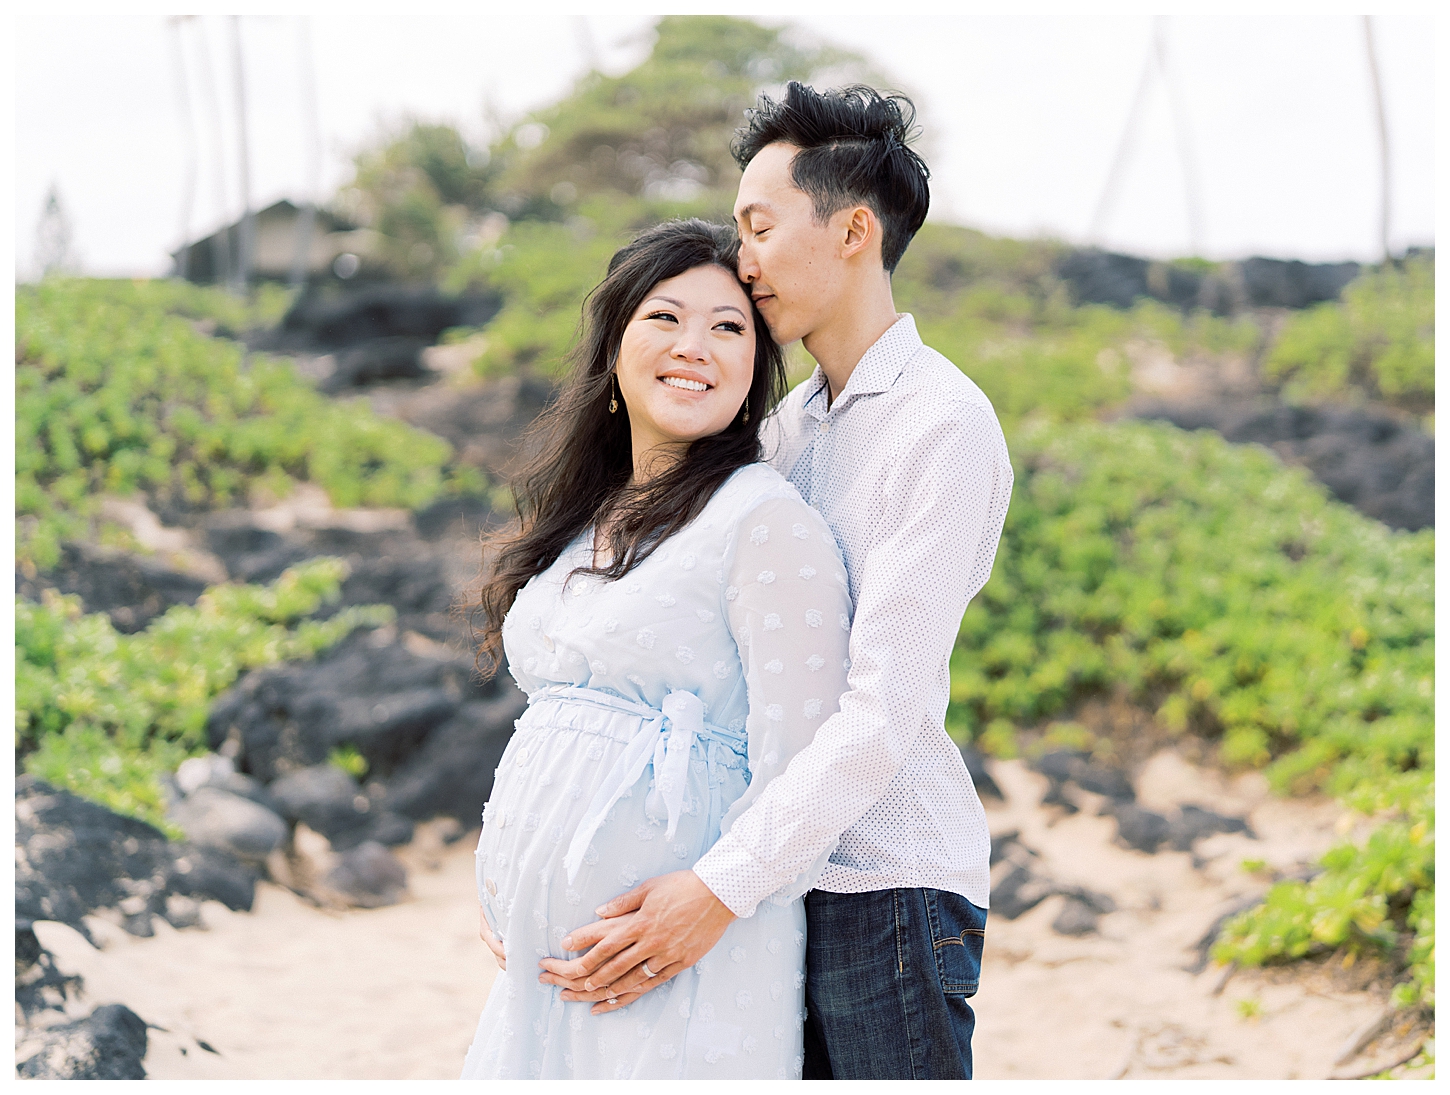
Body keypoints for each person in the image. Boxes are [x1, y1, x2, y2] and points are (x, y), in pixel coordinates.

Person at [537, 83, 1014, 1080]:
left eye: (758, 228)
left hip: (885, 886)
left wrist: (716, 888)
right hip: (774, 888)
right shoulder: (787, 428)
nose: (741, 260)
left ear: (850, 231)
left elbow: (880, 711)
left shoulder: (941, 425)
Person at [459, 218, 854, 1079]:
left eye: (728, 327)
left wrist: (706, 905)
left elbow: (803, 764)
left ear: (754, 368)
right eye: (665, 318)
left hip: (683, 960)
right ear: (614, 347)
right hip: (542, 968)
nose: (695, 347)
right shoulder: (586, 522)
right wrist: (510, 880)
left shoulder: (764, 522)